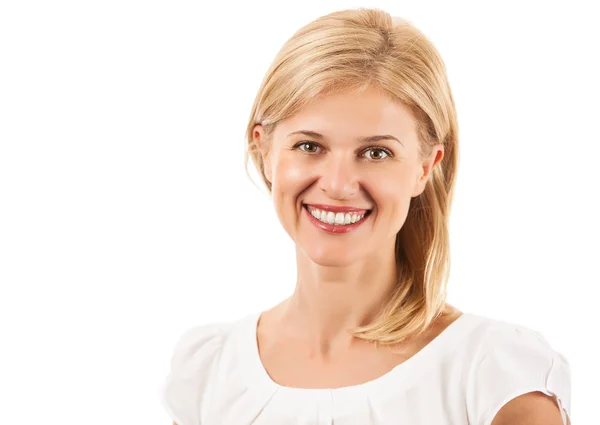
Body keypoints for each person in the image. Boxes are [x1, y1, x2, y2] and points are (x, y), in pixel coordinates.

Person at [160, 8, 571, 425]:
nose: (338, 184)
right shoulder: (209, 374)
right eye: (309, 146)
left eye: (377, 152)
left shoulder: (494, 377)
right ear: (264, 151)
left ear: (425, 168)